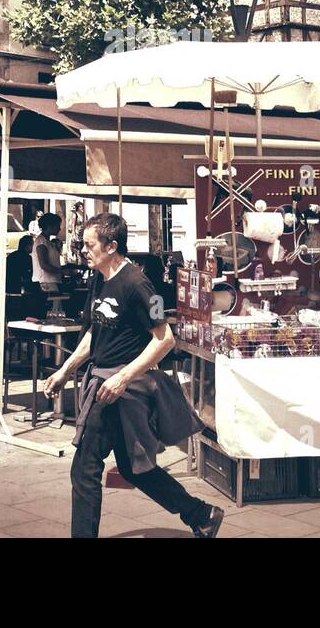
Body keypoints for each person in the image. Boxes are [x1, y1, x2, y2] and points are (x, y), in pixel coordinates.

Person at [45, 212, 222, 539]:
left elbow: (164, 338)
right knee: (133, 468)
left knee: (84, 469)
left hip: (119, 391)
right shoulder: (98, 277)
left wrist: (123, 378)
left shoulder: (138, 284)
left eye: (89, 244)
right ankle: (201, 513)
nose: (84, 250)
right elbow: (94, 333)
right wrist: (64, 370)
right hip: (104, 386)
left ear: (112, 246)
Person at [31, 212, 65, 293]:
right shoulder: (41, 241)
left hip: (51, 282)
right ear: (49, 226)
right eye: (57, 226)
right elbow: (44, 264)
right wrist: (62, 271)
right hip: (46, 283)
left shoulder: (48, 242)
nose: (59, 229)